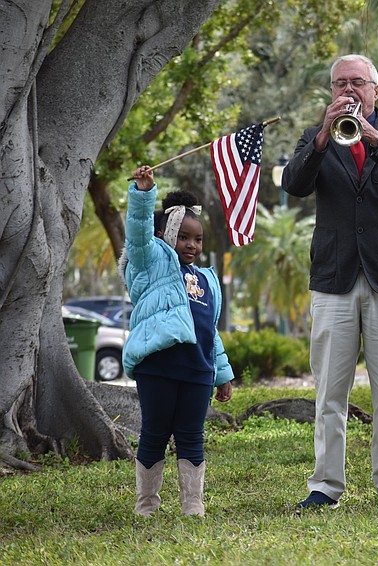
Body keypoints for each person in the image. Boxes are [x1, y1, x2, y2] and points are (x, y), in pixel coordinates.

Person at [281, 54, 378, 511]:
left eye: (357, 82)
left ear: (375, 90)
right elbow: (294, 184)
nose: (348, 90)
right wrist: (324, 137)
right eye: (340, 83)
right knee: (330, 391)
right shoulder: (316, 138)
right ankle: (325, 486)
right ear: (330, 91)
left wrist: (375, 137)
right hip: (334, 277)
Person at [123, 165, 235, 517]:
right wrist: (144, 194)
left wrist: (222, 372)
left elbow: (209, 330)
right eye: (184, 236)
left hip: (198, 370)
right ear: (167, 234)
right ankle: (147, 504)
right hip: (158, 366)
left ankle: (193, 504)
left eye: (198, 239)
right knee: (154, 433)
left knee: (192, 435)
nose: (192, 244)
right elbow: (139, 233)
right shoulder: (150, 262)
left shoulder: (205, 278)